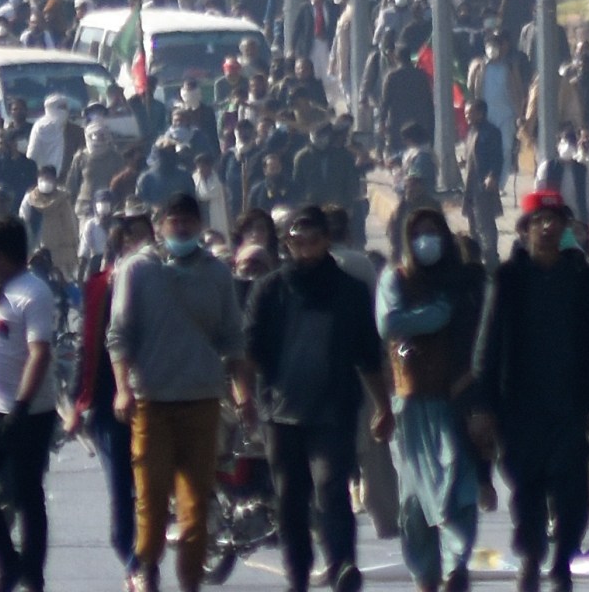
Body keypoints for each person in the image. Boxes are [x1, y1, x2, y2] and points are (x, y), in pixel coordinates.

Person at [469, 187, 589, 592]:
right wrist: (483, 404)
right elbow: (487, 344)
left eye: (554, 220)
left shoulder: (584, 276)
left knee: (572, 489)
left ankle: (561, 563)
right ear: (524, 229)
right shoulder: (507, 278)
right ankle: (530, 555)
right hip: (518, 406)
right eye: (539, 221)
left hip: (573, 403)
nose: (547, 227)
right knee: (526, 486)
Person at [238, 205, 389, 592]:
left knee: (331, 488)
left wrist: (383, 407)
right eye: (297, 241)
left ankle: (342, 564)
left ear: (326, 241)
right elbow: (249, 352)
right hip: (280, 412)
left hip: (333, 411)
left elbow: (368, 355)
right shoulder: (269, 290)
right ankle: (299, 574)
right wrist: (243, 397)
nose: (304, 249)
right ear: (286, 243)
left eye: (313, 241)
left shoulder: (349, 292)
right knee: (290, 499)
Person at [108, 192, 247, 592]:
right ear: (160, 225)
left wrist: (243, 393)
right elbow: (118, 336)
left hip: (202, 401)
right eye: (174, 221)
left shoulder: (217, 273)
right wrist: (122, 389)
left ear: (200, 226)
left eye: (189, 221)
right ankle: (146, 566)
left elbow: (233, 337)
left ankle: (189, 581)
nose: (181, 228)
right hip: (151, 401)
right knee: (150, 498)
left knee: (196, 504)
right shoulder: (137, 270)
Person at [377, 207, 484, 592]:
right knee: (416, 498)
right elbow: (391, 322)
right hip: (414, 399)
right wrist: (437, 314)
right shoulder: (397, 279)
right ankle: (425, 573)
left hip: (455, 397)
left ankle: (457, 565)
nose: (427, 240)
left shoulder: (461, 281)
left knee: (459, 481)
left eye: (433, 231)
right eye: (419, 233)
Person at [0, 214, 58, 592]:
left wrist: (21, 406)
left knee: (25, 492)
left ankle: (32, 575)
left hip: (28, 411)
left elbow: (39, 354)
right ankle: (8, 563)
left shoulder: (32, 293)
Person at [73, 206, 155, 573]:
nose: (137, 242)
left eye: (142, 234)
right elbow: (88, 345)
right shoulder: (100, 285)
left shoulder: (167, 281)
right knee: (121, 490)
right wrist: (79, 403)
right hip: (110, 401)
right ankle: (136, 564)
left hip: (159, 396)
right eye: (129, 235)